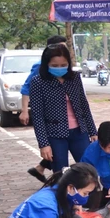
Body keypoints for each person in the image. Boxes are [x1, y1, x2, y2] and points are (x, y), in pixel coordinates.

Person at [29, 43, 98, 172]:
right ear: (46, 64)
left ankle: (88, 192)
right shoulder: (38, 82)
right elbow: (37, 116)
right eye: (54, 66)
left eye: (63, 65)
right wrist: (44, 144)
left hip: (79, 132)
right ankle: (61, 192)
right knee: (60, 173)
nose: (59, 68)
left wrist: (93, 131)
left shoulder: (74, 78)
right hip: (55, 135)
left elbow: (84, 105)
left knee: (88, 169)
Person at [20, 35, 69, 182]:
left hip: (67, 121)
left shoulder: (66, 68)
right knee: (54, 151)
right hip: (50, 119)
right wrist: (24, 110)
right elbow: (26, 88)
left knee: (57, 151)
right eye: (61, 47)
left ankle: (40, 169)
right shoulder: (41, 68)